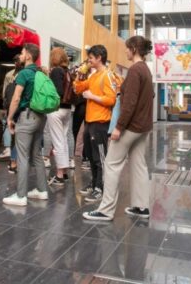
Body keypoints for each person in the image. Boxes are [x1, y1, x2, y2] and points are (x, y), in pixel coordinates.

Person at [83, 36, 154, 221]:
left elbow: (129, 103)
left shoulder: (135, 70)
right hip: (143, 127)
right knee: (139, 164)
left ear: (134, 49)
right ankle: (141, 206)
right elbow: (150, 96)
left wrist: (118, 127)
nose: (125, 51)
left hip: (130, 127)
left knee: (111, 164)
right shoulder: (146, 70)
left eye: (127, 48)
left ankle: (106, 210)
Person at [3, 43, 49, 206]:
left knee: (22, 156)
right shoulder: (40, 73)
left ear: (28, 55)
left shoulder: (24, 74)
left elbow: (16, 98)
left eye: (22, 53)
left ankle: (21, 195)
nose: (20, 55)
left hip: (27, 116)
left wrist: (10, 118)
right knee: (36, 154)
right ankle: (42, 190)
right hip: (41, 117)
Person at [73, 45, 117, 204]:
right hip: (90, 121)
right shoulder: (93, 76)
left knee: (100, 157)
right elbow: (78, 89)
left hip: (100, 122)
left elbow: (111, 99)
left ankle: (100, 187)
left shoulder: (107, 75)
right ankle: (94, 183)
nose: (88, 60)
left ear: (99, 58)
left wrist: (92, 96)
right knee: (91, 156)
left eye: (91, 57)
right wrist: (80, 75)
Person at [47, 47, 72, 187]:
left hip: (56, 109)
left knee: (58, 142)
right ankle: (65, 172)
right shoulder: (67, 71)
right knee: (63, 140)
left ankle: (59, 175)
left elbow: (58, 91)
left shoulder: (56, 71)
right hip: (67, 109)